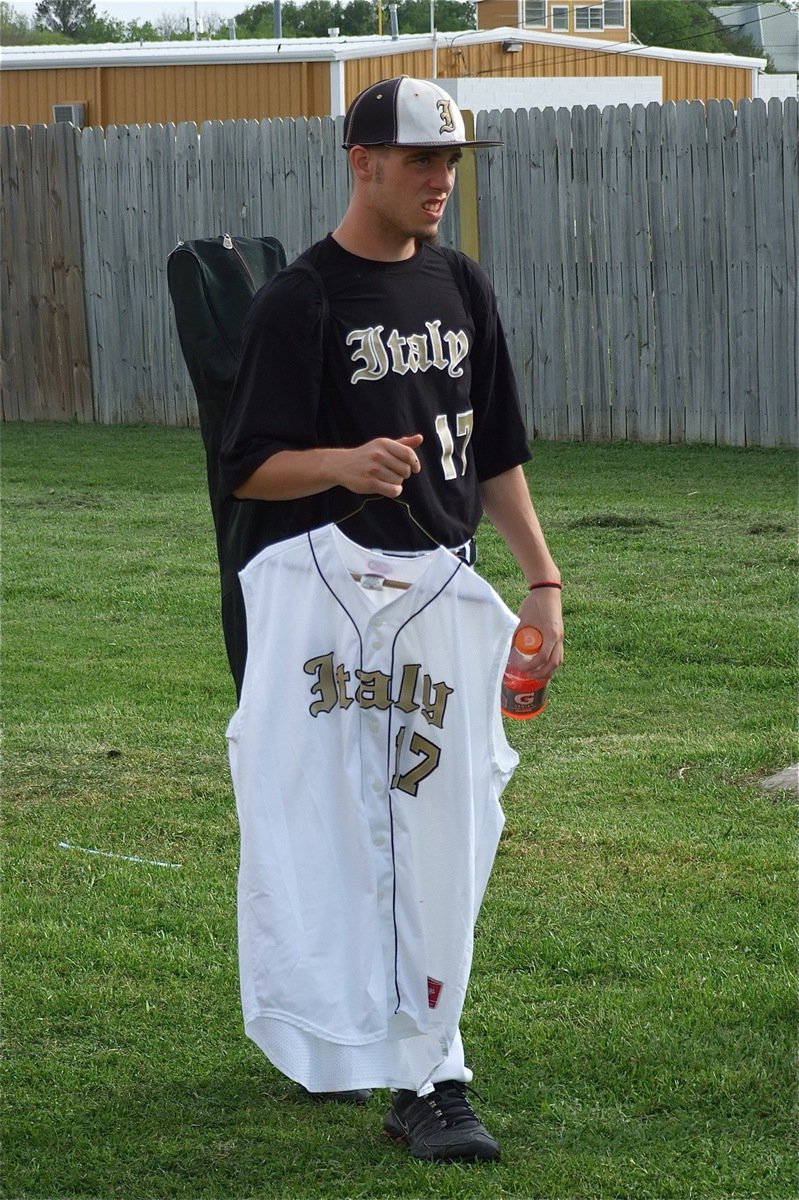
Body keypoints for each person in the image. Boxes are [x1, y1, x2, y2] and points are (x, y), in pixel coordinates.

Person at [218, 75, 564, 1164]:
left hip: (446, 592)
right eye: (419, 158)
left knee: (436, 832)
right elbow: (249, 470)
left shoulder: (460, 283)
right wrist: (342, 464)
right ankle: (427, 1074)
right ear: (358, 159)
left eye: (451, 160)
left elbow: (492, 448)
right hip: (338, 615)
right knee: (360, 835)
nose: (439, 179)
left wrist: (541, 581)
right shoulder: (303, 302)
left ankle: (407, 1050)